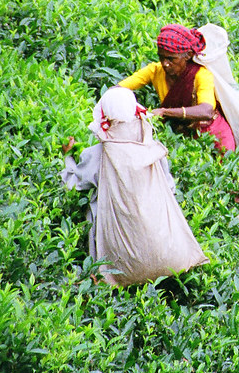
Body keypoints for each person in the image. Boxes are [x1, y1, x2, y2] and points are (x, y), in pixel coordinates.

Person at [59, 86, 208, 287]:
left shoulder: (97, 154)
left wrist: (67, 157)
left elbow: (73, 185)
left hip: (122, 251)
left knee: (95, 205)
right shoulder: (151, 148)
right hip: (167, 248)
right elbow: (170, 188)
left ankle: (109, 275)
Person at [118, 24, 237, 153]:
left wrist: (164, 112)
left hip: (213, 136)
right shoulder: (155, 71)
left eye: (171, 58)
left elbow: (206, 110)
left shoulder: (201, 75)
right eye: (161, 57)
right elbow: (120, 88)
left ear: (188, 55)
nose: (165, 63)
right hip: (183, 136)